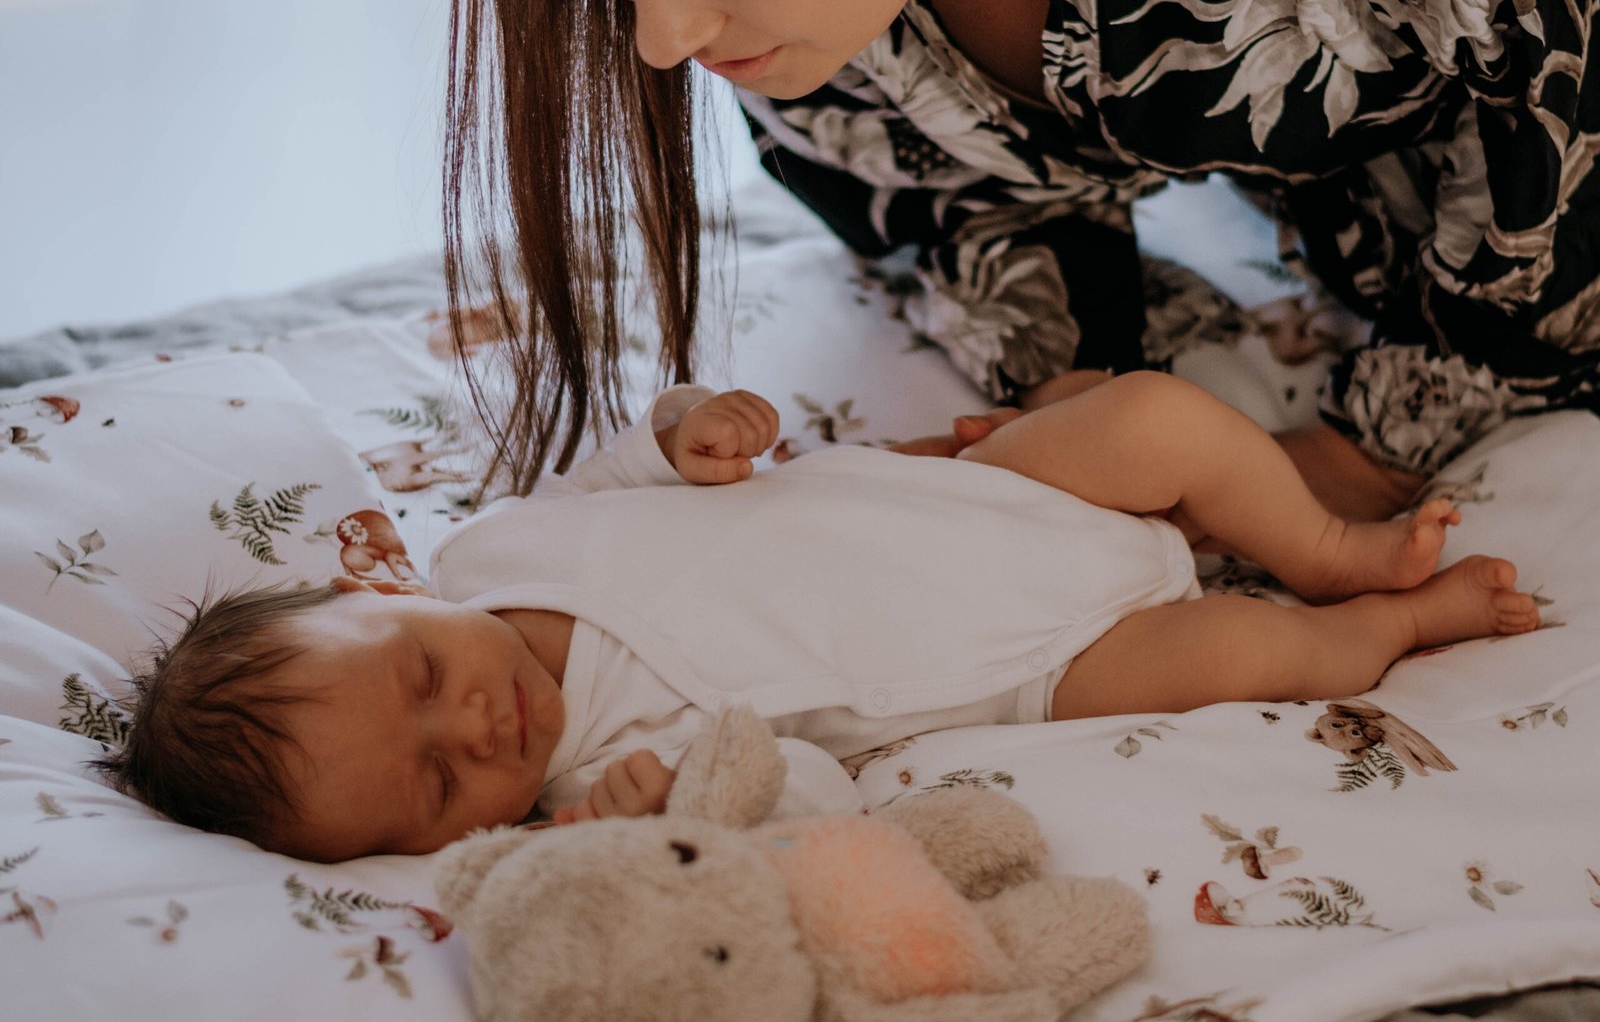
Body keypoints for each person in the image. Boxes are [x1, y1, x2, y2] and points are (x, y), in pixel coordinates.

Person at [440, 0, 1600, 523]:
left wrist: (1364, 454)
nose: (663, 38)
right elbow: (951, 197)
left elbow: (1574, 104)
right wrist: (1081, 396)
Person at [93, 372, 1537, 862]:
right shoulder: (601, 791)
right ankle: (1378, 631)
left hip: (992, 504)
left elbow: (632, 445)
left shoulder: (494, 548)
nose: (469, 723)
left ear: (386, 594)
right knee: (1243, 656)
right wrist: (683, 821)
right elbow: (824, 784)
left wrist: (690, 426)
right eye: (432, 785)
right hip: (1041, 668)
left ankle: (1333, 545)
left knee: (1155, 418)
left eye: (414, 674)